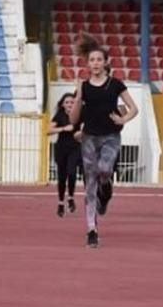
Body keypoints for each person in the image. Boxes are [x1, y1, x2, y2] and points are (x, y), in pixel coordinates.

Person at [68, 35, 139, 248]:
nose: (95, 64)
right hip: (89, 137)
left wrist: (123, 118)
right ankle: (91, 229)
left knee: (105, 169)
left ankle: (106, 189)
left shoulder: (115, 84)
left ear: (106, 62)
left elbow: (134, 108)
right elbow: (73, 119)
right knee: (89, 184)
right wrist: (79, 97)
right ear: (87, 64)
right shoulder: (84, 86)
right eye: (92, 60)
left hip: (110, 137)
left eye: (99, 60)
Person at [48, 92, 80, 217]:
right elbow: (48, 130)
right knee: (62, 177)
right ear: (62, 105)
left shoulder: (79, 115)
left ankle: (70, 197)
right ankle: (61, 202)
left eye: (72, 102)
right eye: (67, 102)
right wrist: (62, 129)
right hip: (61, 148)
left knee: (72, 173)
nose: (69, 104)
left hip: (75, 148)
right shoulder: (59, 115)